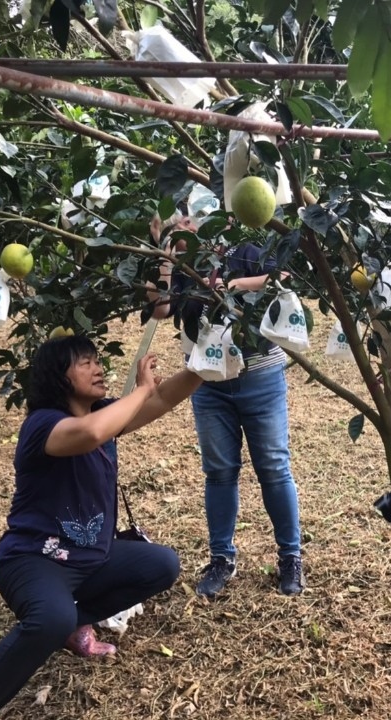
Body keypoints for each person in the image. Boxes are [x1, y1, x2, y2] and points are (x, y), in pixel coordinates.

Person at [0, 336, 202, 720]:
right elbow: (90, 433)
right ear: (57, 375)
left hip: (90, 557)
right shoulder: (42, 425)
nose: (98, 368)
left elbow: (162, 399)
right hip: (34, 558)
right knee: (51, 618)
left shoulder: (103, 415)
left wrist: (207, 361)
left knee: (162, 565)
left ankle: (75, 624)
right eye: (85, 363)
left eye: (97, 361)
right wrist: (140, 390)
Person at [148, 213, 304, 598]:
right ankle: (221, 557)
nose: (177, 227)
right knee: (219, 472)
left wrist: (231, 285)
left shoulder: (243, 251)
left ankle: (290, 557)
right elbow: (160, 308)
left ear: (206, 221)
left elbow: (282, 277)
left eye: (184, 220)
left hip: (260, 376)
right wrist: (164, 259)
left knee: (273, 467)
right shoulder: (180, 266)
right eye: (170, 223)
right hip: (208, 382)